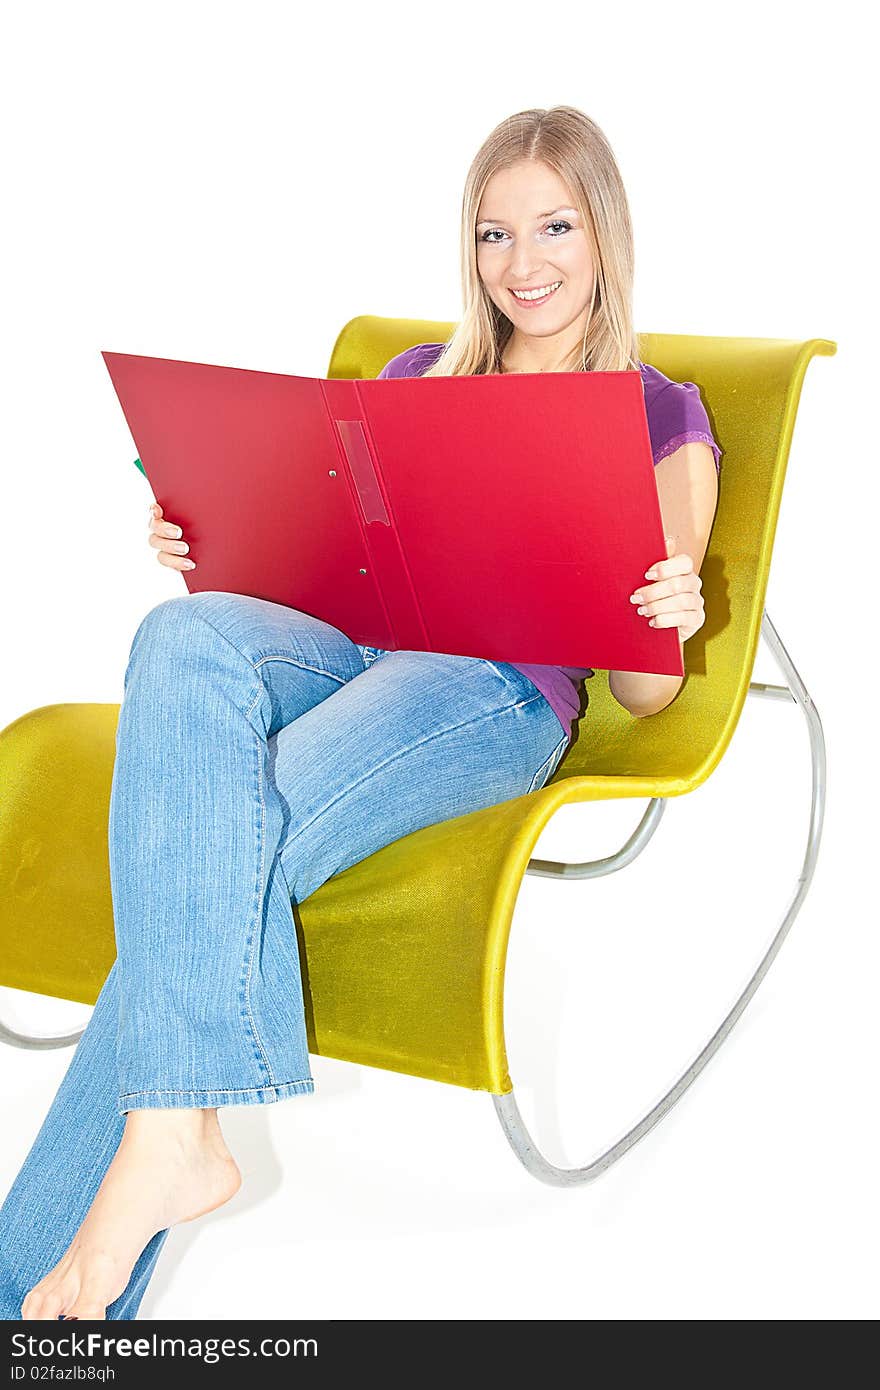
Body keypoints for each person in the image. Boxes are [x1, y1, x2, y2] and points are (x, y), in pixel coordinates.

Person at [0, 104, 721, 1320]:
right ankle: (173, 1145)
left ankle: (43, 1292)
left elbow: (649, 694)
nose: (523, 262)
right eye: (495, 232)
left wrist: (670, 606)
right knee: (182, 634)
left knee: (221, 851)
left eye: (554, 225)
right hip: (343, 645)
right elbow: (307, 574)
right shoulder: (412, 379)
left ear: (604, 233)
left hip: (489, 689)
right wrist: (208, 540)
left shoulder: (658, 415)